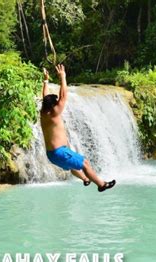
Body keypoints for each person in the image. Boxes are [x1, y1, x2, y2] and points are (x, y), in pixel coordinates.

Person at [40, 64, 116, 192]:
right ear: (53, 105)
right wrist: (62, 77)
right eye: (56, 102)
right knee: (85, 163)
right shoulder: (55, 112)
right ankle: (101, 184)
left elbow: (45, 97)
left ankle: (85, 179)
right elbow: (63, 97)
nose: (59, 103)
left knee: (72, 166)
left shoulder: (44, 112)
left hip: (52, 155)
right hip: (59, 152)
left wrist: (46, 81)